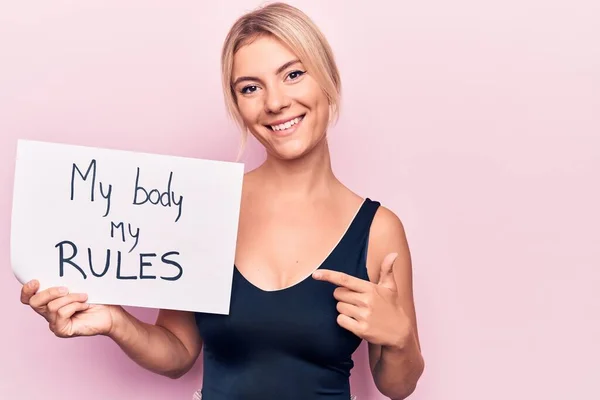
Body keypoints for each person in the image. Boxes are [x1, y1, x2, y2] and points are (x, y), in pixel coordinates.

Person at [19, 2, 424, 399]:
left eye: (293, 74)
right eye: (250, 87)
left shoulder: (379, 229)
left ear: (327, 80)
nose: (275, 102)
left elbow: (397, 386)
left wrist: (399, 335)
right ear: (238, 104)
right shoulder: (203, 206)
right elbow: (178, 353)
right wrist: (114, 320)